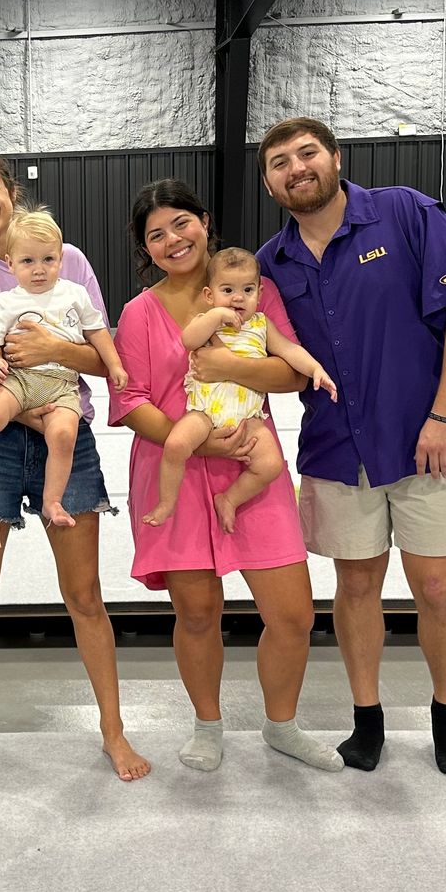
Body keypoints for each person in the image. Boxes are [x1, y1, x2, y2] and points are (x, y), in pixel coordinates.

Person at [255, 116, 446, 776]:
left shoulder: (404, 214)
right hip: (337, 448)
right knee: (355, 583)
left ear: (335, 158)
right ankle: (368, 718)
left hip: (428, 440)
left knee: (438, 585)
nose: (295, 168)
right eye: (278, 162)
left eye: (306, 154)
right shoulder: (271, 264)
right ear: (270, 184)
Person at [0, 148, 150, 785]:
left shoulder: (67, 262)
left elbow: (105, 357)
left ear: (11, 192)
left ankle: (113, 730)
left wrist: (54, 350)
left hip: (63, 435)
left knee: (84, 597)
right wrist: (6, 406)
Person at [111, 180, 342, 776]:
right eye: (155, 235)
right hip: (177, 465)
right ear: (147, 249)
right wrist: (196, 440)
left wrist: (228, 366)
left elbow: (289, 371)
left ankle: (282, 724)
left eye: (180, 224)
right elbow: (130, 398)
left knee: (292, 614)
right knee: (196, 612)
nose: (172, 240)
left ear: (205, 222)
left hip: (251, 460)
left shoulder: (252, 289)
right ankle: (207, 723)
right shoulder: (140, 312)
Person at [0, 209, 127, 529]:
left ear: (60, 259)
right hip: (20, 380)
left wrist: (116, 365)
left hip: (61, 384)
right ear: (11, 264)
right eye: (28, 262)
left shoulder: (74, 293)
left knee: (64, 433)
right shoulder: (7, 301)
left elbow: (97, 332)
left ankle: (53, 500)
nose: (39, 270)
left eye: (48, 260)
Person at [143, 247, 334, 534]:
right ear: (210, 295)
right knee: (176, 445)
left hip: (249, 415)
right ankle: (167, 503)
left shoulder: (261, 324)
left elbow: (290, 350)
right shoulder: (206, 321)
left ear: (259, 293)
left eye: (247, 289)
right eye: (227, 290)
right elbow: (188, 340)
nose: (237, 298)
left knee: (271, 465)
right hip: (205, 411)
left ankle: (230, 499)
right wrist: (215, 316)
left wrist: (315, 369)